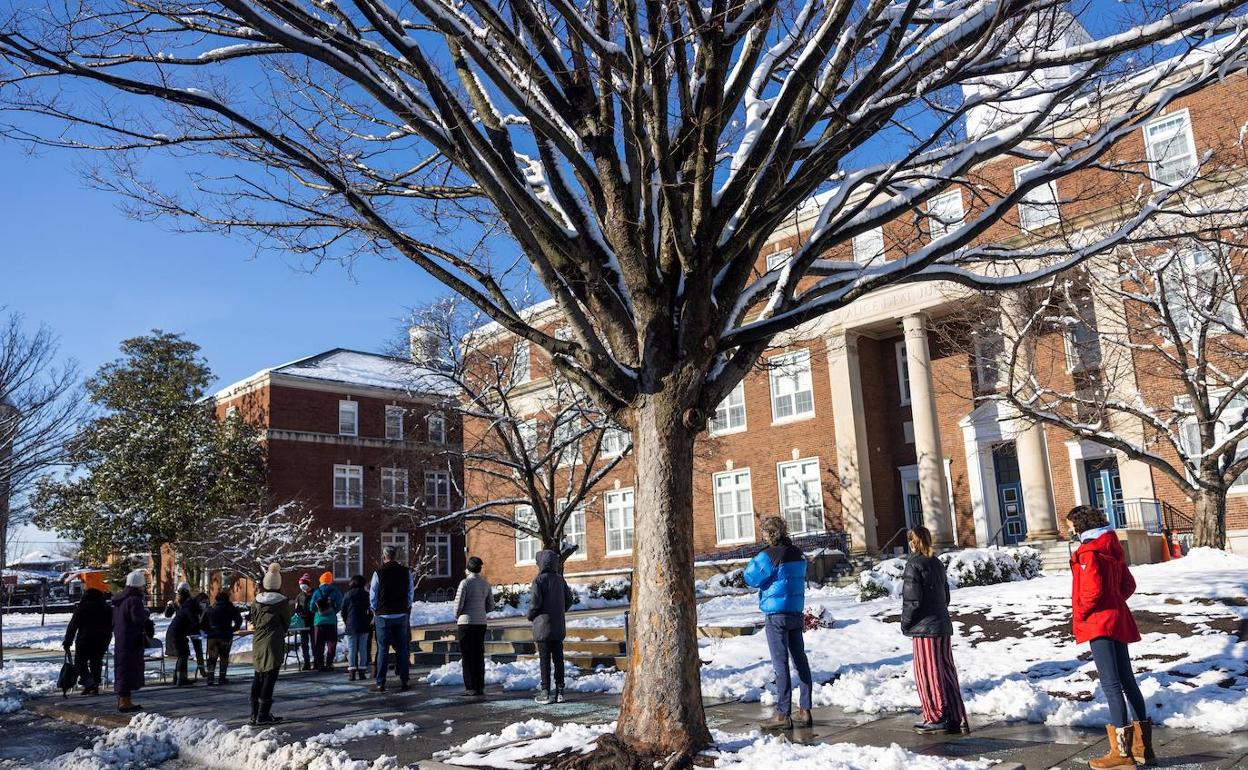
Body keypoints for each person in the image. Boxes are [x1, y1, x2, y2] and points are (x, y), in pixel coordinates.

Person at [1067, 505, 1153, 769]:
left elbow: (1090, 592)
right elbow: (1128, 585)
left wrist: (1081, 614)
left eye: (1070, 524)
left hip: (1099, 622)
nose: (1068, 529)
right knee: (1127, 680)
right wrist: (1114, 601)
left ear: (1080, 525)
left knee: (1111, 684)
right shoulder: (1111, 546)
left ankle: (1122, 754)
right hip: (1116, 619)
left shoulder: (1088, 551)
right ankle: (1143, 749)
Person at [743, 516, 813, 731]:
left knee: (780, 664)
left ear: (767, 533)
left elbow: (751, 578)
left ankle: (783, 714)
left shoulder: (769, 555)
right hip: (795, 611)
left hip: (776, 615)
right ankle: (805, 709)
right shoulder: (798, 553)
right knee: (800, 660)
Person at [901, 525, 969, 736]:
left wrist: (905, 623)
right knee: (946, 670)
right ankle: (955, 714)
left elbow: (912, 601)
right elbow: (946, 597)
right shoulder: (936, 563)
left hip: (924, 628)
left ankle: (935, 716)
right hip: (942, 624)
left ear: (913, 542)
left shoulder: (914, 565)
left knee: (927, 673)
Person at [527, 549, 575, 704]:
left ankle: (545, 691)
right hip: (558, 626)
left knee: (544, 660)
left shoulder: (538, 581)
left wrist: (531, 615)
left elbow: (535, 603)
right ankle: (560, 691)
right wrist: (560, 611)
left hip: (542, 627)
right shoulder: (560, 580)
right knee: (558, 659)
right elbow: (569, 600)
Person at [250, 562, 293, 725]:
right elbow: (286, 622)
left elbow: (253, 619)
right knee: (270, 676)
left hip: (258, 640)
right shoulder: (282, 603)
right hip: (274, 640)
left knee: (258, 675)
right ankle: (264, 713)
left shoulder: (256, 601)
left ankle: (254, 713)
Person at [369, 545, 413, 692]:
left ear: (384, 556)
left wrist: (375, 609)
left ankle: (381, 682)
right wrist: (406, 607)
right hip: (401, 613)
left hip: (383, 614)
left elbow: (373, 594)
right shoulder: (406, 572)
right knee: (402, 648)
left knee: (383, 649)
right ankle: (404, 679)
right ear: (396, 556)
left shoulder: (378, 573)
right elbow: (410, 593)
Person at [111, 569, 153, 713]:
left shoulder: (119, 600)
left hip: (121, 638)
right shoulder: (135, 600)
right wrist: (146, 614)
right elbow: (137, 619)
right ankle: (125, 700)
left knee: (122, 668)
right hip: (131, 638)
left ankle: (122, 698)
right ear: (139, 585)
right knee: (129, 669)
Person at [454, 556, 495, 697]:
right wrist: (481, 611)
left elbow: (458, 605)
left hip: (466, 623)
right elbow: (491, 605)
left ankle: (470, 686)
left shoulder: (464, 583)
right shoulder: (485, 584)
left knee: (467, 655)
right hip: (481, 623)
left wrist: (457, 615)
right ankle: (480, 686)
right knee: (479, 655)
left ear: (468, 568)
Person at [62, 587, 113, 696]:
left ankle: (89, 682)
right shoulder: (107, 608)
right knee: (96, 662)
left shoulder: (82, 607)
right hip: (102, 640)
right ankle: (95, 685)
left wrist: (67, 641)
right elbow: (112, 625)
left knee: (80, 662)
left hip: (85, 639)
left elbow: (73, 626)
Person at [203, 589, 244, 685]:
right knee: (224, 657)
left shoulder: (211, 607)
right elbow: (239, 619)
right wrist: (233, 629)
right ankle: (222, 677)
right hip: (226, 635)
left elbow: (202, 622)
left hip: (212, 636)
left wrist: (208, 630)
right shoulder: (230, 607)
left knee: (212, 658)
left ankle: (210, 678)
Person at [164, 584, 202, 686]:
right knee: (183, 655)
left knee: (182, 655)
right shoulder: (189, 605)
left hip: (176, 631)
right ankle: (181, 678)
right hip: (178, 633)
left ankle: (177, 678)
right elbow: (193, 620)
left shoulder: (181, 604)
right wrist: (198, 626)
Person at [340, 575, 372, 681]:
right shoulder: (366, 595)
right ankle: (362, 671)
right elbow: (371, 609)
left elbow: (343, 610)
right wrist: (368, 620)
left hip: (351, 625)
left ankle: (352, 672)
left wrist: (346, 621)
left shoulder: (348, 595)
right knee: (363, 648)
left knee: (352, 648)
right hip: (364, 624)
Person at [310, 571, 343, 672]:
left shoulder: (316, 592)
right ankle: (329, 663)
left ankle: (320, 664)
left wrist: (318, 612)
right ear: (330, 581)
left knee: (319, 644)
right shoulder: (336, 591)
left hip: (318, 622)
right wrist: (332, 612)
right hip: (331, 622)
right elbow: (339, 605)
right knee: (331, 643)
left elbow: (311, 607)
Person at [293, 574, 315, 671]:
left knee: (314, 643)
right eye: (301, 585)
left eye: (304, 584)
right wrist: (299, 613)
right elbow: (296, 608)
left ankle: (316, 661)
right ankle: (306, 662)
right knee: (304, 643)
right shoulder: (299, 596)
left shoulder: (314, 593)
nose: (303, 587)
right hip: (303, 622)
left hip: (313, 621)